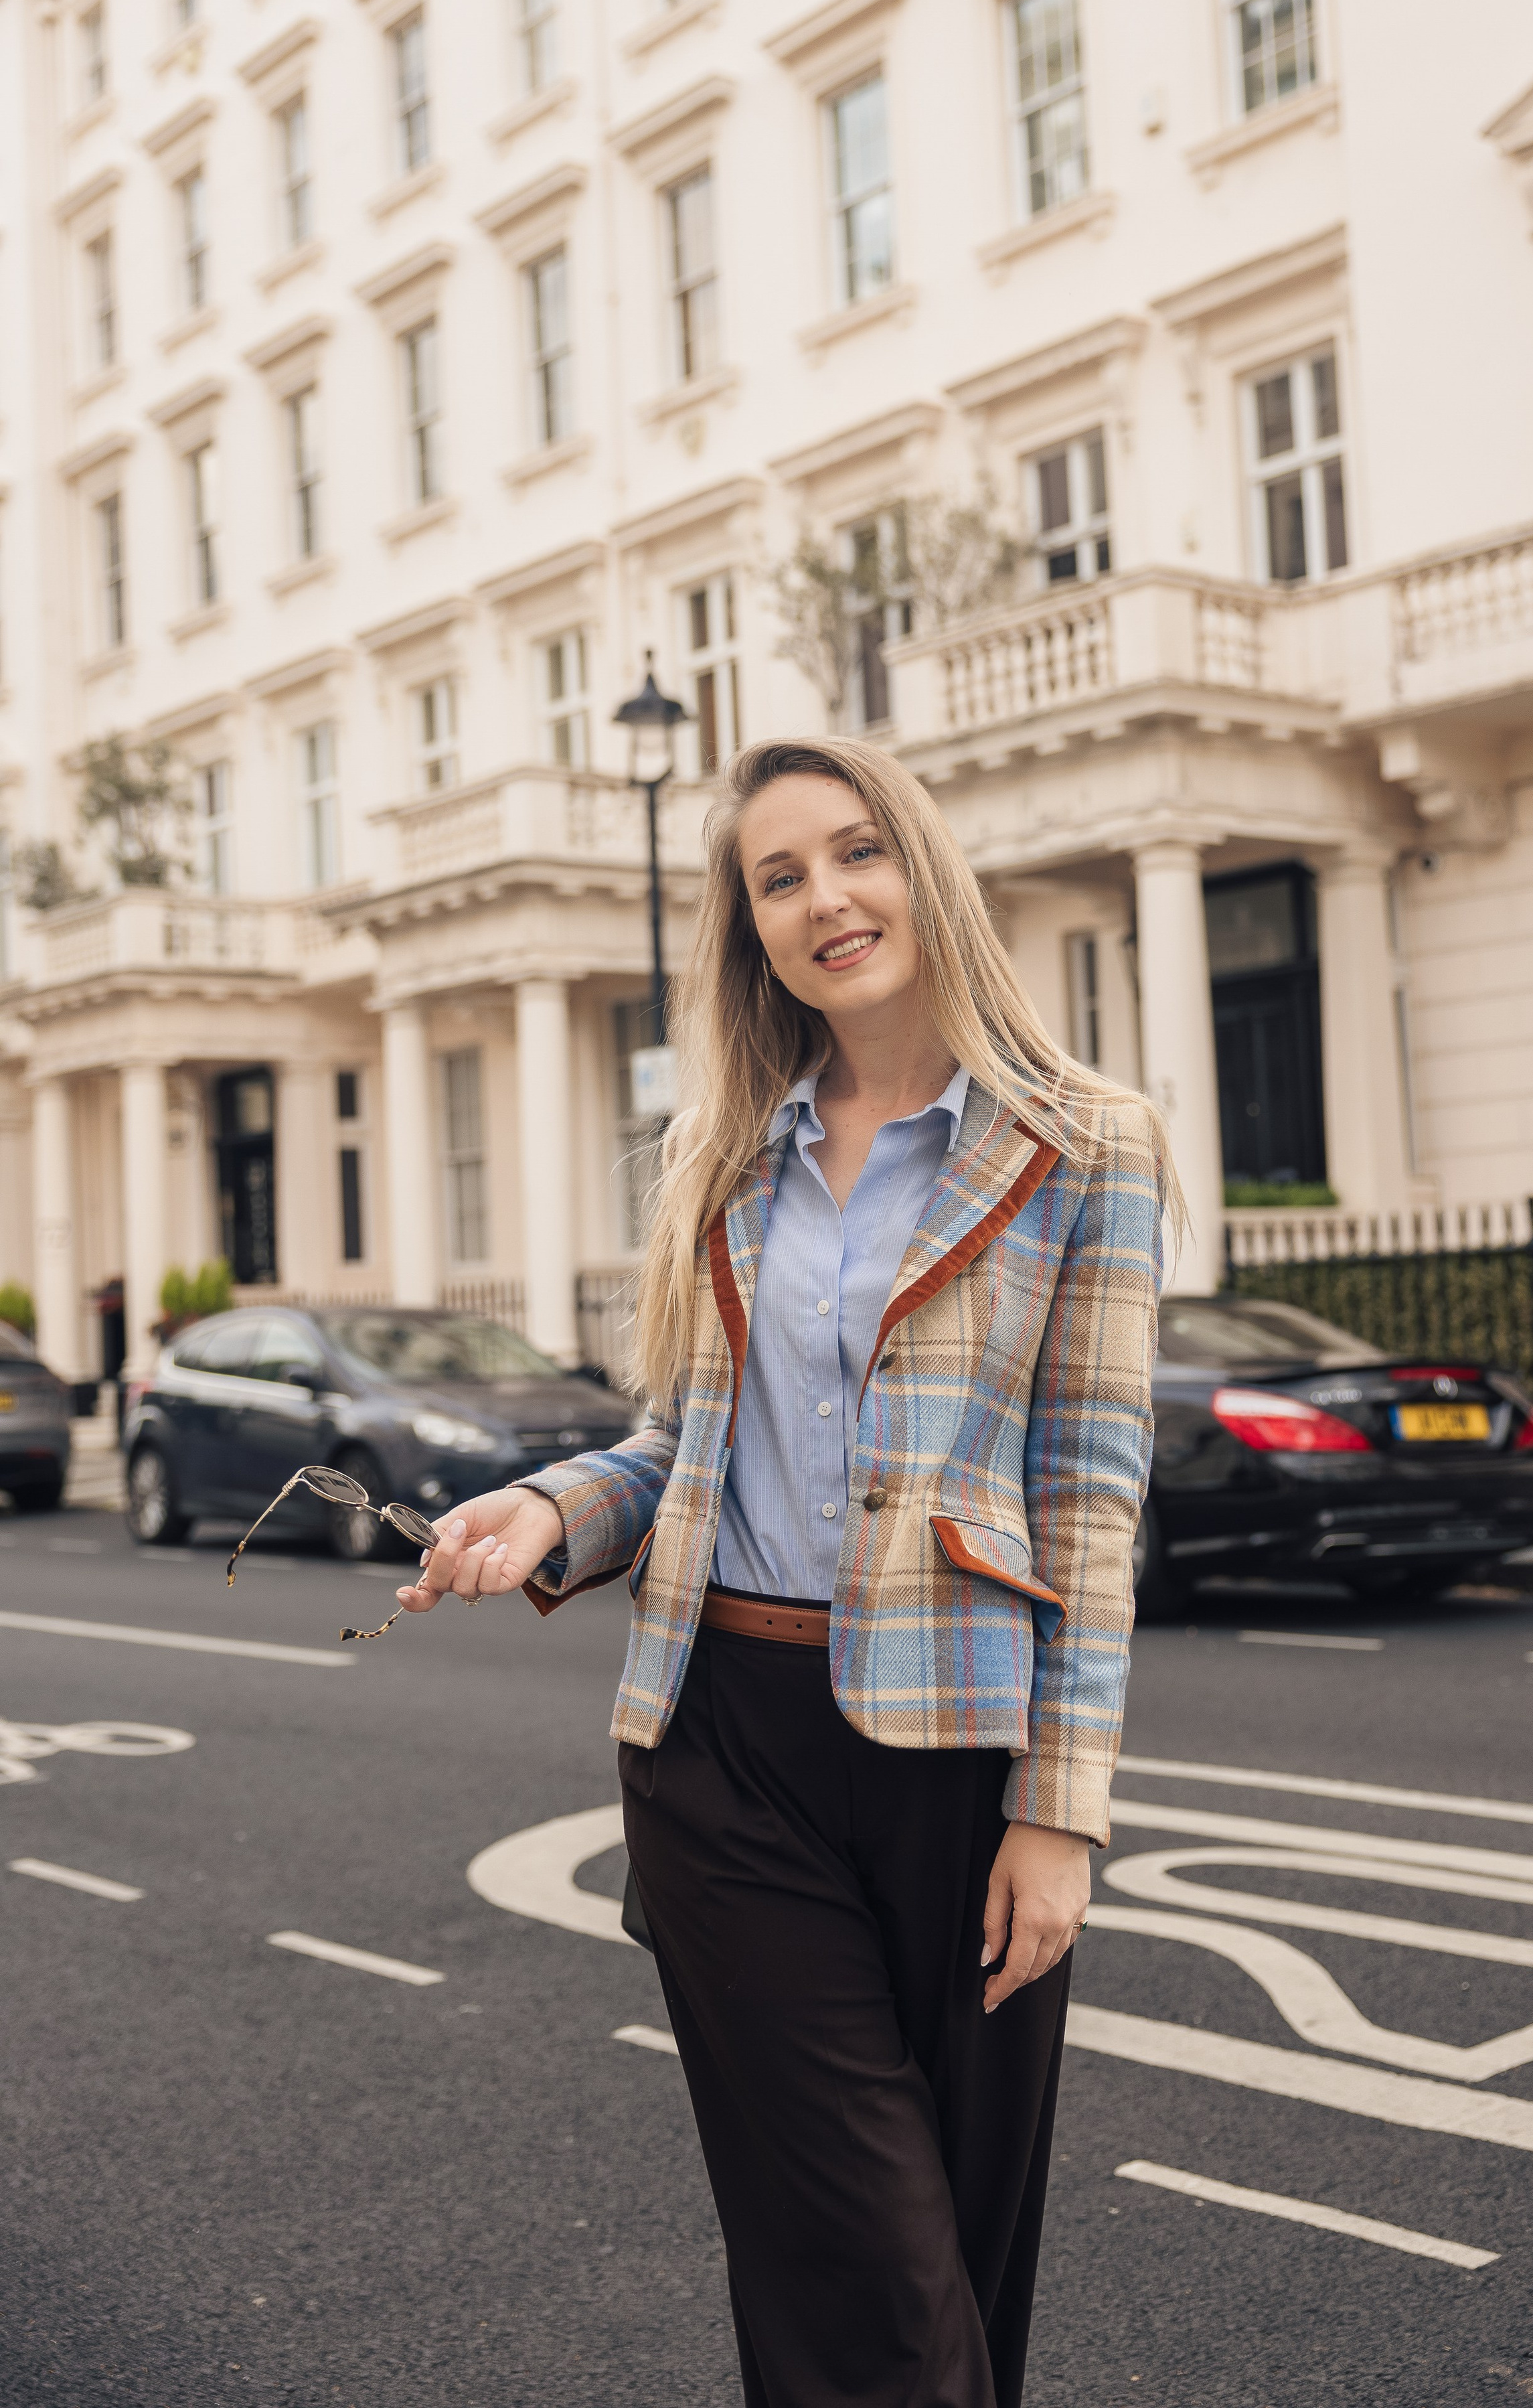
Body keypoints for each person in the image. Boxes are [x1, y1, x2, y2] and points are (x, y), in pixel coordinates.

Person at [399, 736, 1177, 2408]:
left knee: (958, 2252)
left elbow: (1089, 1500)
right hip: (721, 1751)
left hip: (959, 1753)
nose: (826, 897)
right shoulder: (727, 1152)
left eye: (857, 851)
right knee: (865, 2268)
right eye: (778, 877)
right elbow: (676, 1448)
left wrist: (1060, 1811)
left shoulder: (1083, 1143)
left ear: (923, 868)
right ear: (747, 928)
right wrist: (546, 1515)